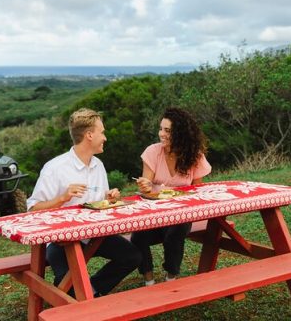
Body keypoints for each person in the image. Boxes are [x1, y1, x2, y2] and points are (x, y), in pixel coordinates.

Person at [27, 108, 141, 297]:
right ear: (89, 135)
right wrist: (62, 198)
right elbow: (32, 210)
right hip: (60, 241)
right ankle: (76, 295)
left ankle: (93, 289)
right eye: (102, 132)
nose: (105, 137)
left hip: (96, 235)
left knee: (132, 256)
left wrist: (109, 198)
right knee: (66, 283)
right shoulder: (55, 168)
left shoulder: (98, 165)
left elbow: (99, 201)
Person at [132, 107, 212, 286]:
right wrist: (145, 185)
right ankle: (148, 279)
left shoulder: (194, 156)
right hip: (154, 213)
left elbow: (198, 191)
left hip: (181, 214)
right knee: (138, 236)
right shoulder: (152, 152)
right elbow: (146, 187)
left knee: (175, 231)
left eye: (167, 130)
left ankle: (171, 276)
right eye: (161, 129)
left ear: (180, 133)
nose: (161, 134)